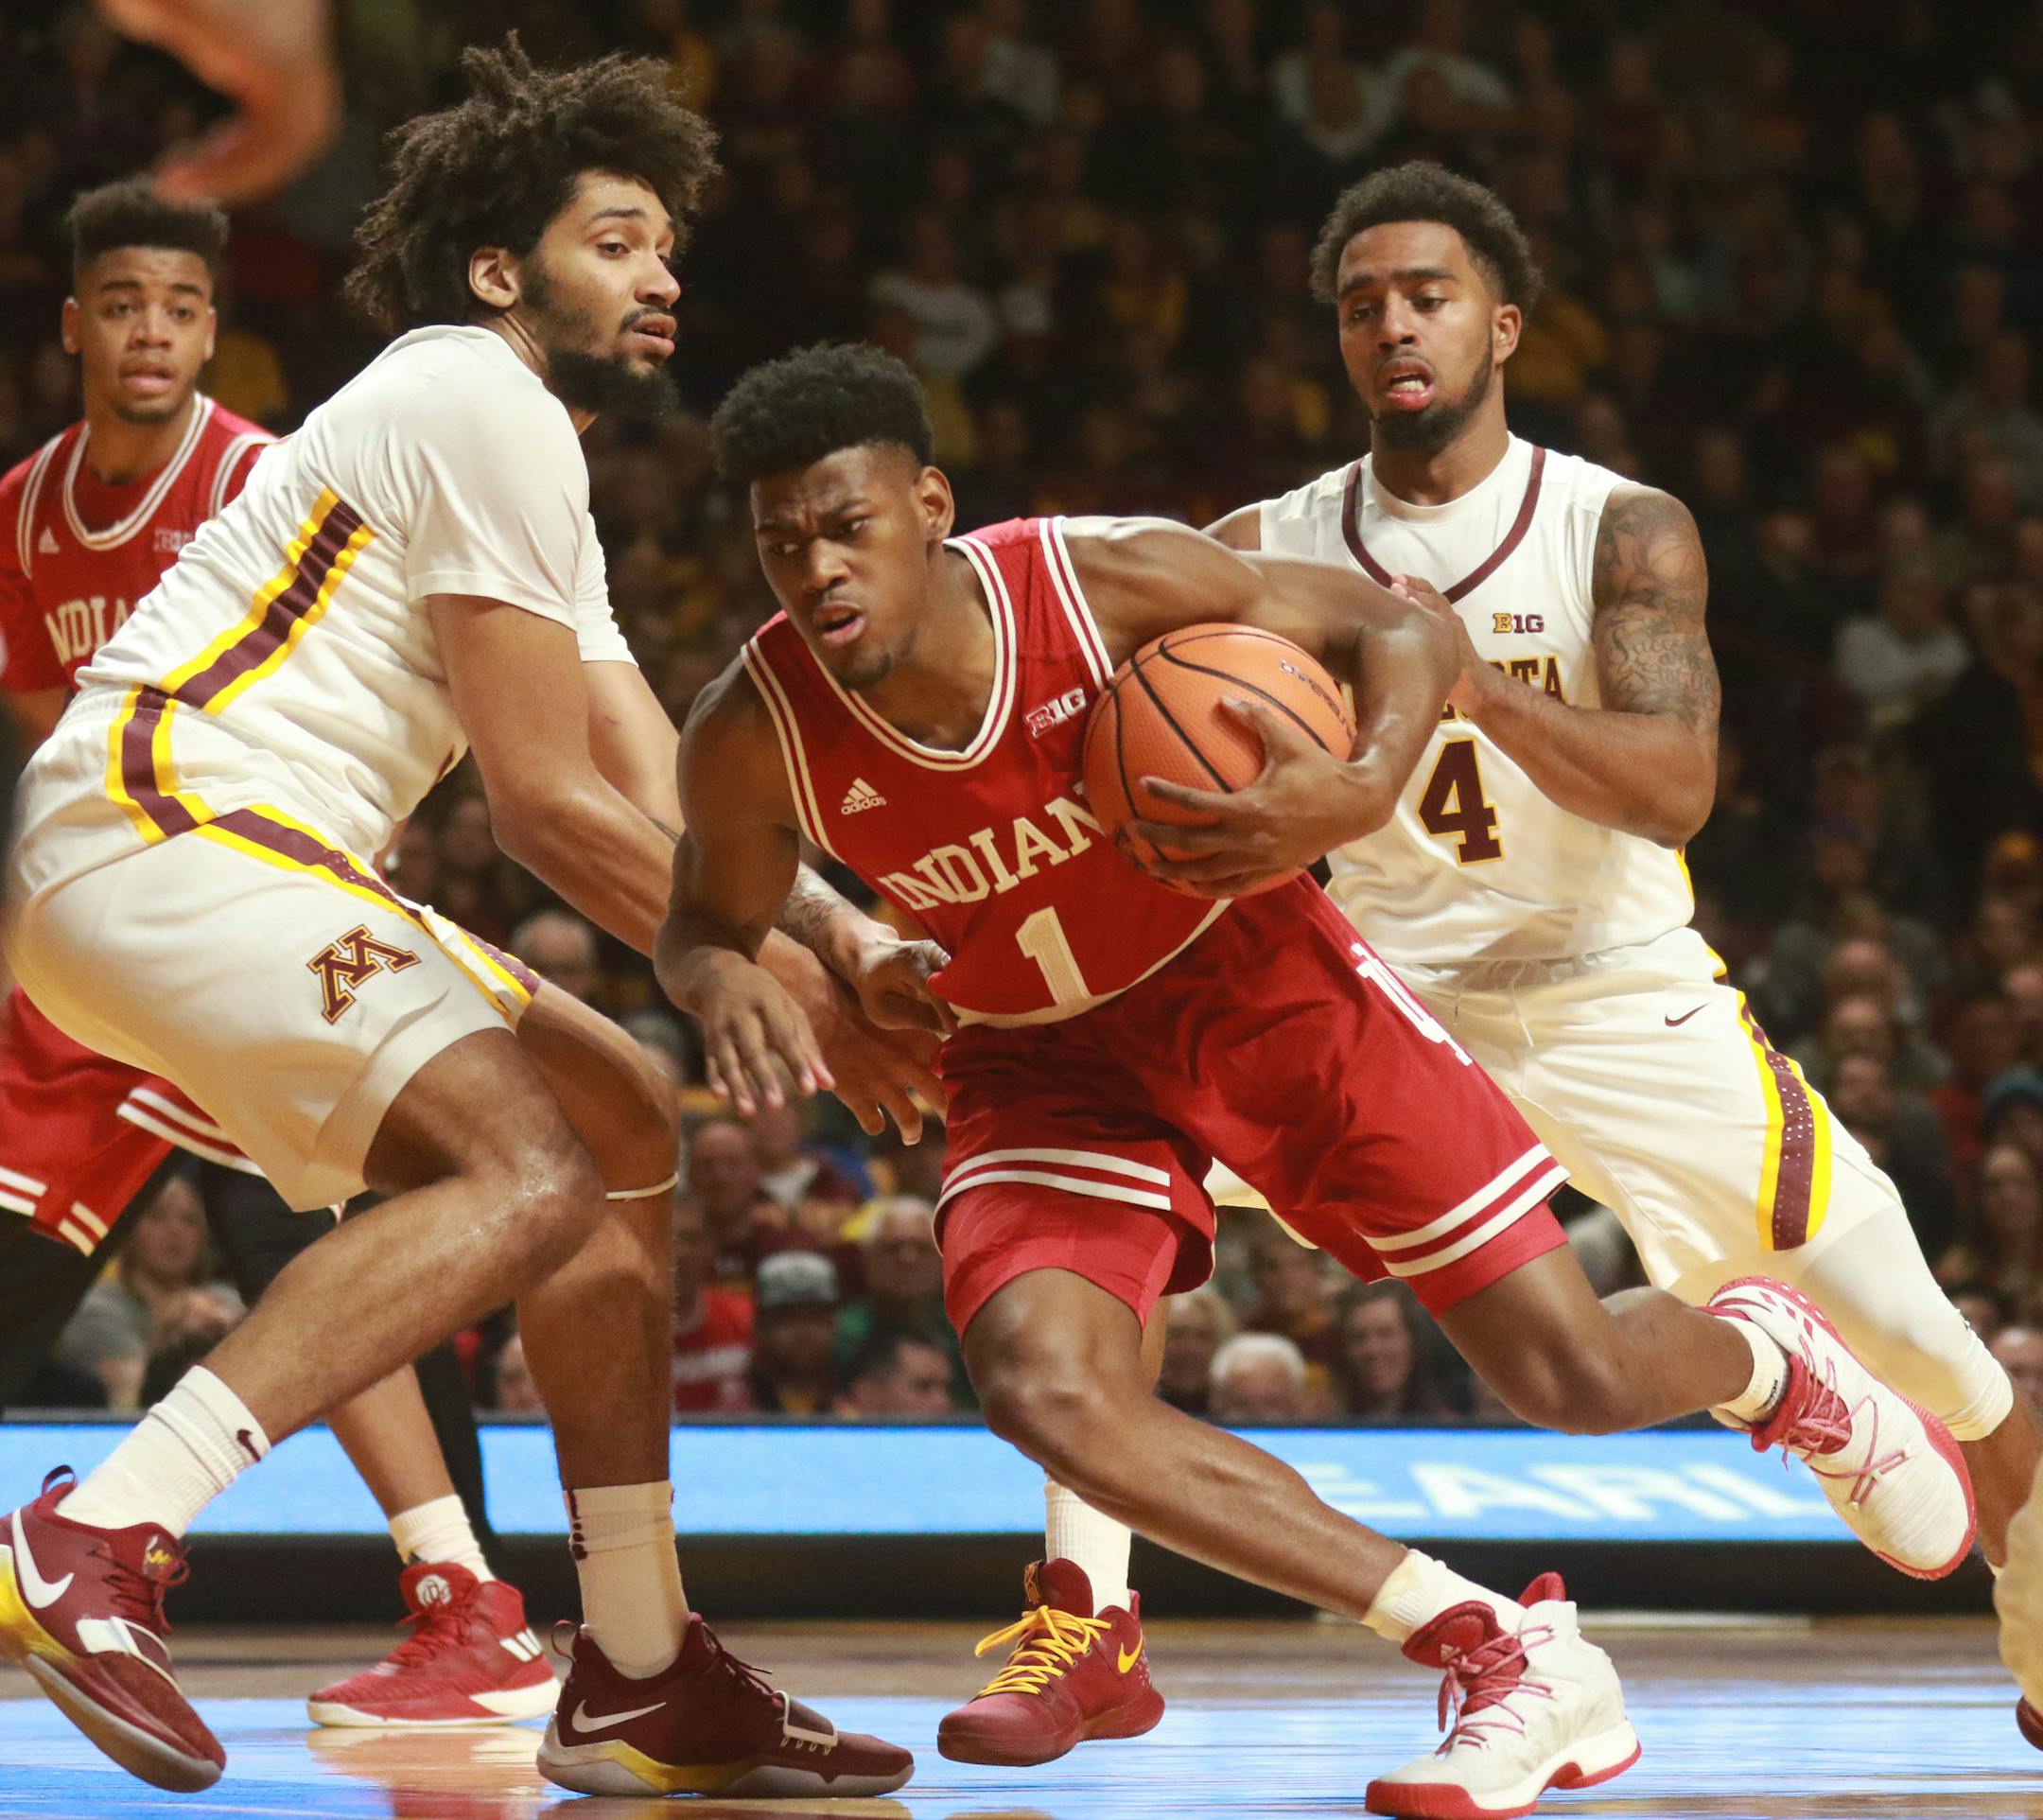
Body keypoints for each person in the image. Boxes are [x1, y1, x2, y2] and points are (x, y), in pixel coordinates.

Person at [658, 340, 1969, 1816]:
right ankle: (1492, 1649)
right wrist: (740, 981)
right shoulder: (751, 728)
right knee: (1044, 1385)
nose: (816, 570)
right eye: (782, 544)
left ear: (930, 504)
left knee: (1569, 1377)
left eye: (847, 527)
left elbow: (1395, 633)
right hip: (1039, 1060)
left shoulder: (1099, 581)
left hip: (1260, 979)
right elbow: (701, 917)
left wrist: (1357, 781)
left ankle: (1767, 1360)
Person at [0, 44, 929, 1800]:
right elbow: (548, 812)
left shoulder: (528, 453)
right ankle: (102, 1530)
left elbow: (648, 767)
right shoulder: (473, 394)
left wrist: (837, 942)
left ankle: (638, 1668)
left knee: (615, 1123)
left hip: (215, 849)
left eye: (668, 250)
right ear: (504, 269)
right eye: (620, 243)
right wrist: (723, 959)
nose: (664, 279)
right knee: (526, 1167)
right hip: (166, 814)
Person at [1039, 156, 2037, 1758]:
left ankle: (2036, 1615)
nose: (1393, 325)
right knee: (1103, 1200)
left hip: (1608, 991)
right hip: (1369, 998)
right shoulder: (1258, 549)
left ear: (1503, 323)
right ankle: (1086, 1616)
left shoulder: (1617, 529)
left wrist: (1464, 685)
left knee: (1929, 1343)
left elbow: (1677, 785)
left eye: (1426, 294)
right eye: (1361, 305)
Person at [0, 177, 556, 1732]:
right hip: (128, 912)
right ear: (75, 327)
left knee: (328, 1254)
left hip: (270, 916)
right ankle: (465, 1605)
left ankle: (467, 1595)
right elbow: (57, 723)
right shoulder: (26, 513)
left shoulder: (264, 474)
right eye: (124, 304)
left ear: (218, 333)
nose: (154, 331)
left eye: (182, 307)